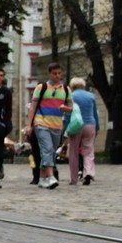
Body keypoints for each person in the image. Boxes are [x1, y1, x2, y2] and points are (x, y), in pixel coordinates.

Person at [25, 62, 71, 190]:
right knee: (47, 148)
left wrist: (65, 108)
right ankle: (50, 176)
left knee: (50, 152)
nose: (57, 76)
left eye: (59, 73)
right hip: (41, 122)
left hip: (57, 124)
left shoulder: (66, 89)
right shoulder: (42, 87)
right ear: (49, 74)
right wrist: (29, 125)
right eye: (54, 73)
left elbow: (71, 108)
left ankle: (41, 178)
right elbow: (33, 107)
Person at [66, 77, 99, 186]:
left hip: (76, 125)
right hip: (90, 124)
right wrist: (97, 127)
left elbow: (68, 113)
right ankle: (88, 173)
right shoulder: (91, 96)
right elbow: (95, 113)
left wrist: (66, 128)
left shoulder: (71, 96)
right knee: (88, 151)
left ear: (72, 86)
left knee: (74, 152)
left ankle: (74, 178)